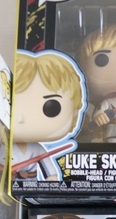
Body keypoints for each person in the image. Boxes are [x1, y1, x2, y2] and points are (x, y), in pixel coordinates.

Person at [11, 50, 86, 180]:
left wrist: (52, 182)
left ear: (74, 111)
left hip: (31, 187)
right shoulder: (0, 149)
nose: (21, 119)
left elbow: (50, 173)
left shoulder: (37, 149)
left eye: (51, 108)